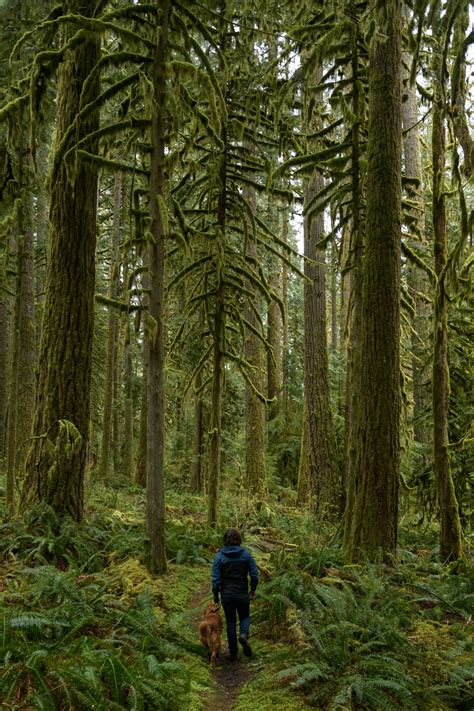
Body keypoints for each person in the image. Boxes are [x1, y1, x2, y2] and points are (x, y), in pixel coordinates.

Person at [211, 527, 259, 661]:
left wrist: (216, 596)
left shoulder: (219, 556)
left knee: (231, 621)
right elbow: (254, 575)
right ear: (239, 539)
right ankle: (244, 634)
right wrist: (253, 588)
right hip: (242, 593)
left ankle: (233, 653)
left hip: (227, 594)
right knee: (244, 616)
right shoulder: (246, 554)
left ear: (225, 540)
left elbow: (215, 580)